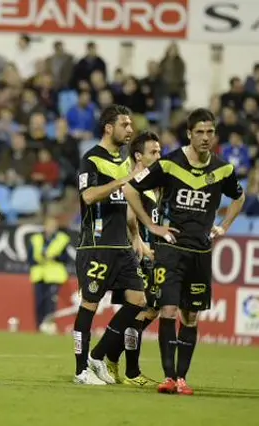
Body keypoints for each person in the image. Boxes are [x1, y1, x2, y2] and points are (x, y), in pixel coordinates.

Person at [124, 108, 245, 395]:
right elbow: (130, 188)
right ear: (189, 134)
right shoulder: (168, 165)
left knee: (190, 317)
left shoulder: (223, 170)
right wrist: (151, 226)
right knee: (167, 309)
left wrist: (224, 225)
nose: (205, 137)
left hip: (201, 251)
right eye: (199, 132)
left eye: (210, 132)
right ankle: (168, 377)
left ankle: (181, 378)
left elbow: (239, 197)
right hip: (170, 249)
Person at [72, 104, 148, 385]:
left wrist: (137, 236)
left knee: (138, 301)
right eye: (125, 125)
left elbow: (127, 204)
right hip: (96, 245)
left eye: (130, 125)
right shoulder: (91, 159)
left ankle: (98, 354)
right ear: (109, 128)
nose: (130, 130)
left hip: (122, 247)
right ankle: (81, 370)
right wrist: (124, 179)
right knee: (89, 305)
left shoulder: (125, 161)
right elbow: (89, 196)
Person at [105, 131, 162, 386]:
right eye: (153, 152)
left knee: (149, 309)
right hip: (137, 254)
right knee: (141, 309)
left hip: (152, 253)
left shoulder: (154, 181)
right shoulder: (135, 180)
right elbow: (129, 214)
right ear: (139, 155)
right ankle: (131, 372)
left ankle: (111, 357)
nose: (158, 156)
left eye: (159, 151)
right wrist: (137, 239)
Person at [27, 216, 70, 333]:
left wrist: (55, 257)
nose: (51, 228)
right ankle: (39, 325)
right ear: (45, 227)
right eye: (49, 226)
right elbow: (30, 257)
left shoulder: (62, 239)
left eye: (53, 226)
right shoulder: (36, 239)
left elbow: (65, 258)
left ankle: (50, 324)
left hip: (55, 275)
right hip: (39, 275)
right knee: (39, 301)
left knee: (51, 301)